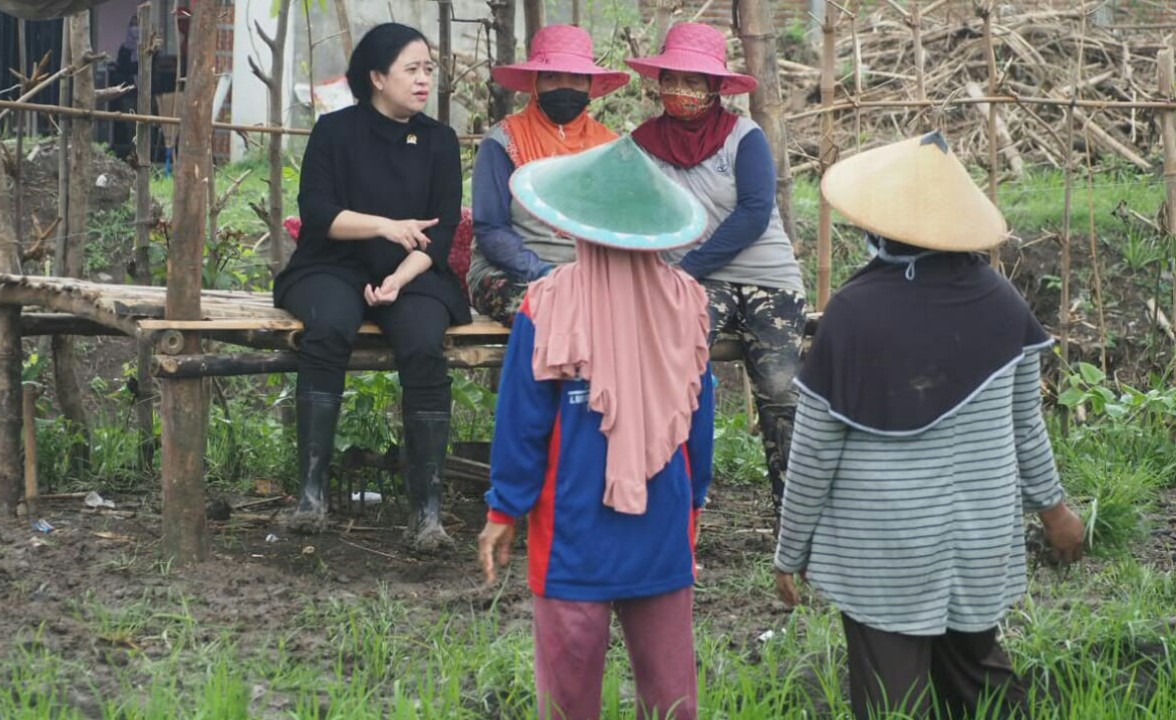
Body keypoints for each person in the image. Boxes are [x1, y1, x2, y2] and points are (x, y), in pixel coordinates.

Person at [772, 132, 1086, 719]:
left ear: (881, 225)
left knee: (892, 699)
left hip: (883, 549)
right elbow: (1027, 428)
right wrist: (1055, 512)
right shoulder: (1003, 303)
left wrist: (791, 550)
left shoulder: (853, 313)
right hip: (979, 540)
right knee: (979, 681)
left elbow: (815, 450)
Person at [478, 137, 715, 720]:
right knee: (670, 693)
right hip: (663, 512)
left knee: (568, 693)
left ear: (578, 225)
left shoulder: (547, 304)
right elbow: (699, 418)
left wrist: (504, 510)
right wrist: (693, 501)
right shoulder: (687, 302)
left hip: (572, 523)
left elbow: (523, 421)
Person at [274, 23, 470, 552]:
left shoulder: (439, 141)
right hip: (333, 264)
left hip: (412, 273)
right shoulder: (335, 131)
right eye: (412, 69)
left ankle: (427, 514)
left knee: (424, 342)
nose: (424, 79)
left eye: (429, 69)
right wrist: (385, 226)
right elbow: (318, 214)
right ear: (378, 77)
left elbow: (441, 232)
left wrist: (400, 277)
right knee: (330, 326)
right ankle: (311, 496)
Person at [626, 23, 806, 525]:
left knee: (779, 388)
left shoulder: (744, 137)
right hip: (697, 280)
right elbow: (632, 214)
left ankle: (794, 522)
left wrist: (685, 269)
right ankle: (672, 508)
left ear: (715, 88)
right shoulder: (642, 144)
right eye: (672, 79)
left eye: (693, 81)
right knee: (673, 372)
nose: (680, 90)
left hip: (766, 277)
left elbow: (753, 214)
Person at [467, 24, 629, 326]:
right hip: (509, 273)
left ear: (590, 84)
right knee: (553, 310)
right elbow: (491, 229)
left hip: (588, 276)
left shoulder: (610, 148)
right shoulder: (502, 141)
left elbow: (622, 226)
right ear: (535, 82)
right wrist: (543, 272)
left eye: (576, 78)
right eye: (552, 77)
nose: (564, 86)